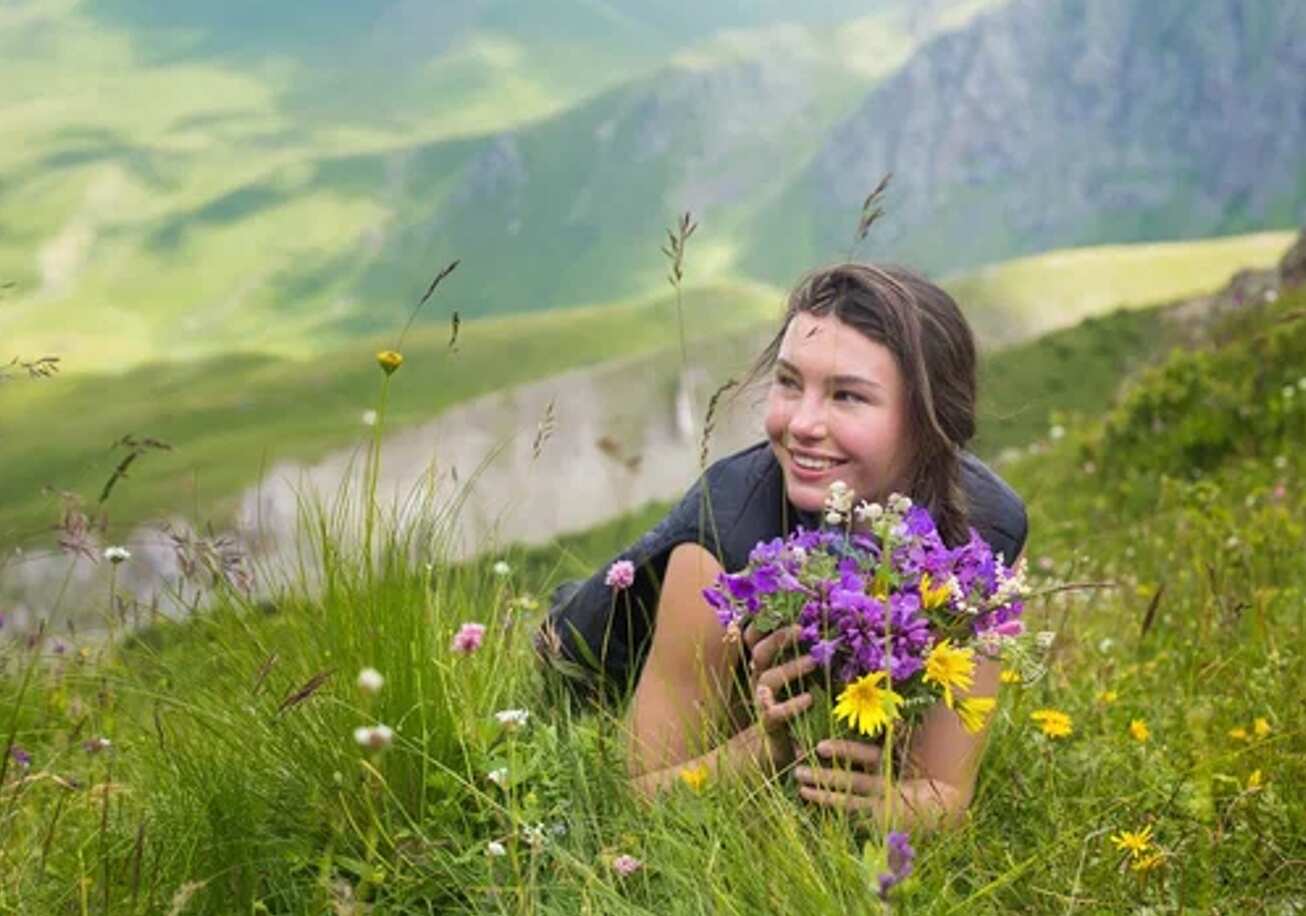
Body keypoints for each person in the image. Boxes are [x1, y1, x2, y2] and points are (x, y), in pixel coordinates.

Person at [536, 263, 1027, 831]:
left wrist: (880, 806)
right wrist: (766, 752)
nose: (801, 423)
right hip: (591, 673)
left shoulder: (985, 534)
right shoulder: (726, 540)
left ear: (929, 419)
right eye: (789, 382)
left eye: (847, 396)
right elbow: (638, 794)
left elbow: (944, 789)